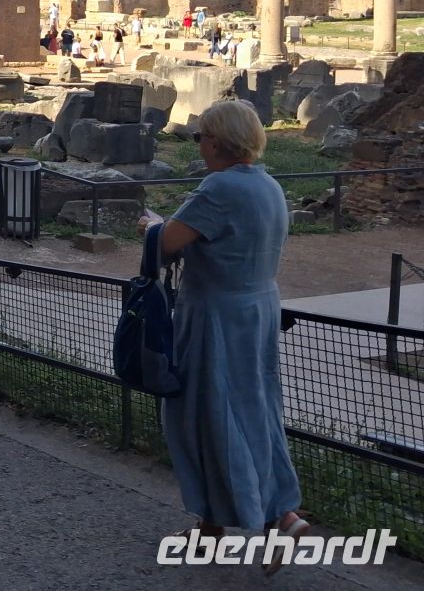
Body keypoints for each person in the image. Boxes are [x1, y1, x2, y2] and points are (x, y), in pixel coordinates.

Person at [140, 99, 305, 566]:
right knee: (251, 408)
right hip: (258, 308)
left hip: (216, 315)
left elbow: (168, 243)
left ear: (216, 141)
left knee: (210, 416)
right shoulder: (268, 185)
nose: (199, 145)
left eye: (201, 137)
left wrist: (152, 226)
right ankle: (213, 526)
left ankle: (280, 520)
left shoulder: (220, 187)